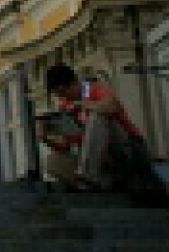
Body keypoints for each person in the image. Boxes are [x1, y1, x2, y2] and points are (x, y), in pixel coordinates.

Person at [40, 63, 147, 191]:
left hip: (125, 150)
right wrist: (45, 138)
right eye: (58, 95)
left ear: (73, 84)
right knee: (53, 162)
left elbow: (113, 106)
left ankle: (88, 176)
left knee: (97, 117)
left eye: (63, 92)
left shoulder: (95, 90)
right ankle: (104, 182)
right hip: (99, 163)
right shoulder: (65, 106)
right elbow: (65, 146)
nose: (62, 97)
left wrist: (84, 106)